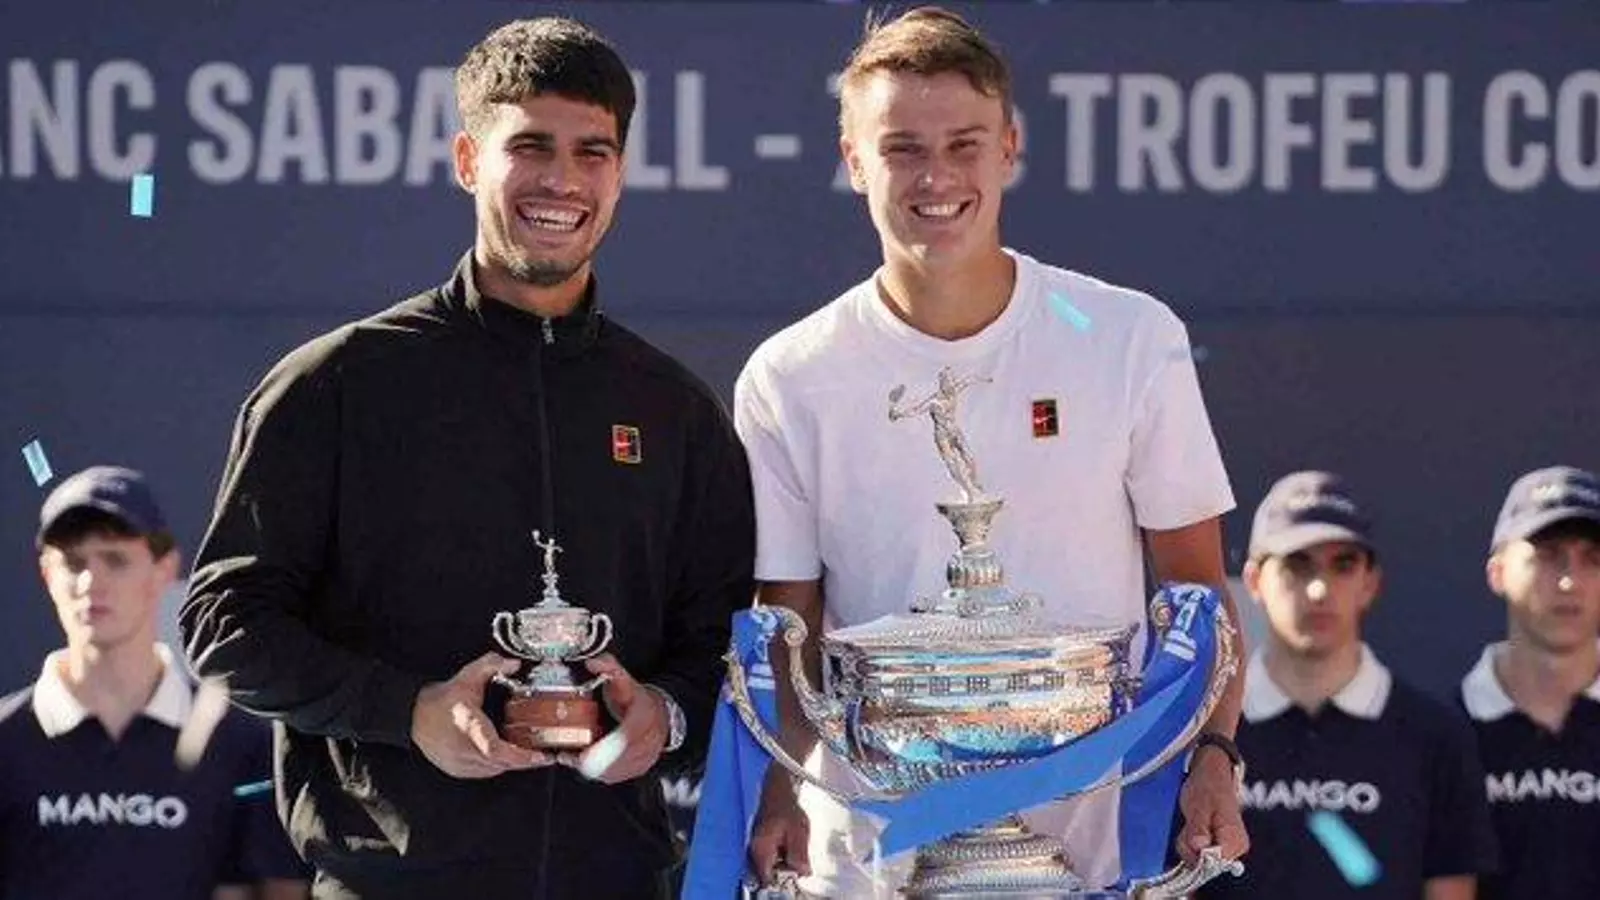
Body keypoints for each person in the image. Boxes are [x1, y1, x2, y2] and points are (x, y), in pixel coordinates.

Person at [178, 17, 754, 900]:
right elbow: (224, 621)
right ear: (466, 159)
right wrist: (407, 712)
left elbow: (726, 640)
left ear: (620, 174)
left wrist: (667, 716)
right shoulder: (337, 384)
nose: (563, 180)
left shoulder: (673, 410)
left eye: (592, 152)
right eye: (530, 147)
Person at [732, 7, 1248, 895]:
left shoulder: (1129, 338)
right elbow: (788, 620)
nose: (936, 177)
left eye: (963, 145)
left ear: (1009, 148)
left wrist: (1214, 754)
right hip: (877, 852)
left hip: (1093, 842)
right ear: (854, 161)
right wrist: (777, 785)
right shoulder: (789, 375)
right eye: (901, 149)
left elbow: (1197, 591)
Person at [0, 466, 307, 900]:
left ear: (164, 569)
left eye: (115, 560)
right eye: (73, 562)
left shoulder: (240, 745)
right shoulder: (7, 740)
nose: (91, 582)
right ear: (47, 575)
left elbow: (279, 889)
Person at [1198, 471, 1496, 900]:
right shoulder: (1208, 735)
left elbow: (1451, 888)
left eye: (1343, 565)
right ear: (1255, 581)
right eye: (1298, 564)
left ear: (1370, 583)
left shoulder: (1436, 736)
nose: (1320, 589)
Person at [1460, 465, 1600, 900]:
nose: (1569, 581)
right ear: (1497, 572)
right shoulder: (1443, 735)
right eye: (1547, 554)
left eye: (1593, 559)